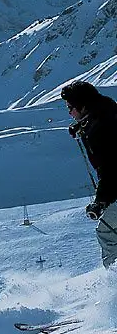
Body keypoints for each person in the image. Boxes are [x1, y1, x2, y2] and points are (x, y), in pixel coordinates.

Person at [61, 80, 117, 267]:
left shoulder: (99, 129)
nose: (69, 112)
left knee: (107, 231)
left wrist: (100, 201)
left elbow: (109, 168)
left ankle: (113, 283)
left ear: (83, 106)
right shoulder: (107, 110)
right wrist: (82, 126)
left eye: (71, 107)